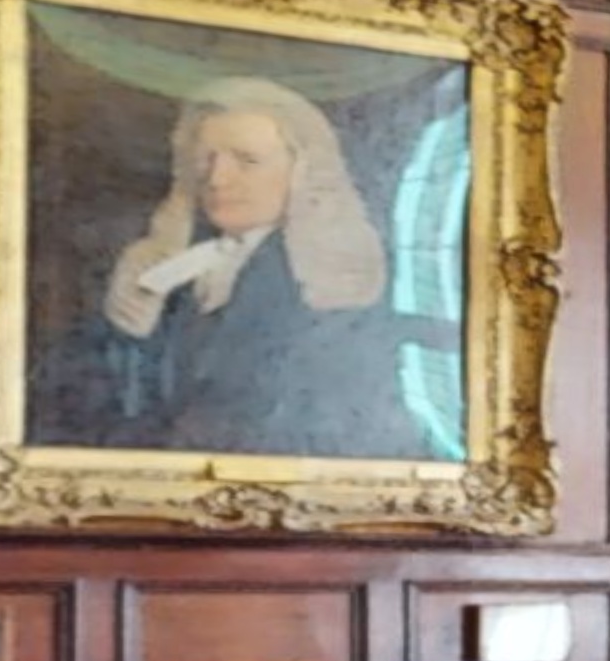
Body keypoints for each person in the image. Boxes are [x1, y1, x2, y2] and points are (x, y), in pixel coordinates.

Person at [93, 79, 431, 461]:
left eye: (247, 160)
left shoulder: (332, 276)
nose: (217, 179)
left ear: (302, 170)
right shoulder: (173, 267)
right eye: (206, 159)